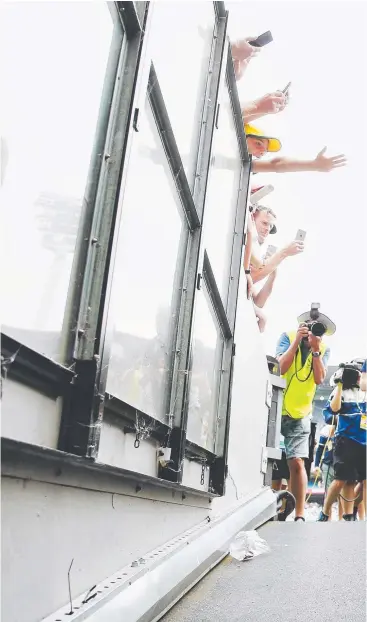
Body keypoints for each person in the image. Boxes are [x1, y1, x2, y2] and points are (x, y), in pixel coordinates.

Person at [276, 306, 334, 521]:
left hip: (301, 412)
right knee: (270, 462)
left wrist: (316, 350)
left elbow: (319, 379)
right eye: (309, 327)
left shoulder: (324, 348)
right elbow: (280, 368)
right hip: (277, 406)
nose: (312, 332)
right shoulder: (287, 337)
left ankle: (299, 514)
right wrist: (296, 343)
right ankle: (272, 507)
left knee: (297, 461)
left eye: (317, 329)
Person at [318, 359, 366, 521]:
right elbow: (334, 409)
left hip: (363, 442)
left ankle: (350, 514)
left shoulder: (363, 391)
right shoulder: (340, 392)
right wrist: (339, 385)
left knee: (360, 481)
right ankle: (325, 511)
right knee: (341, 480)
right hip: (345, 441)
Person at [245, 124, 347, 174]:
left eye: (262, 153)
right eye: (258, 143)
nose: (257, 152)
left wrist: (313, 165)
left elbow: (276, 165)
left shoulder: (244, 164)